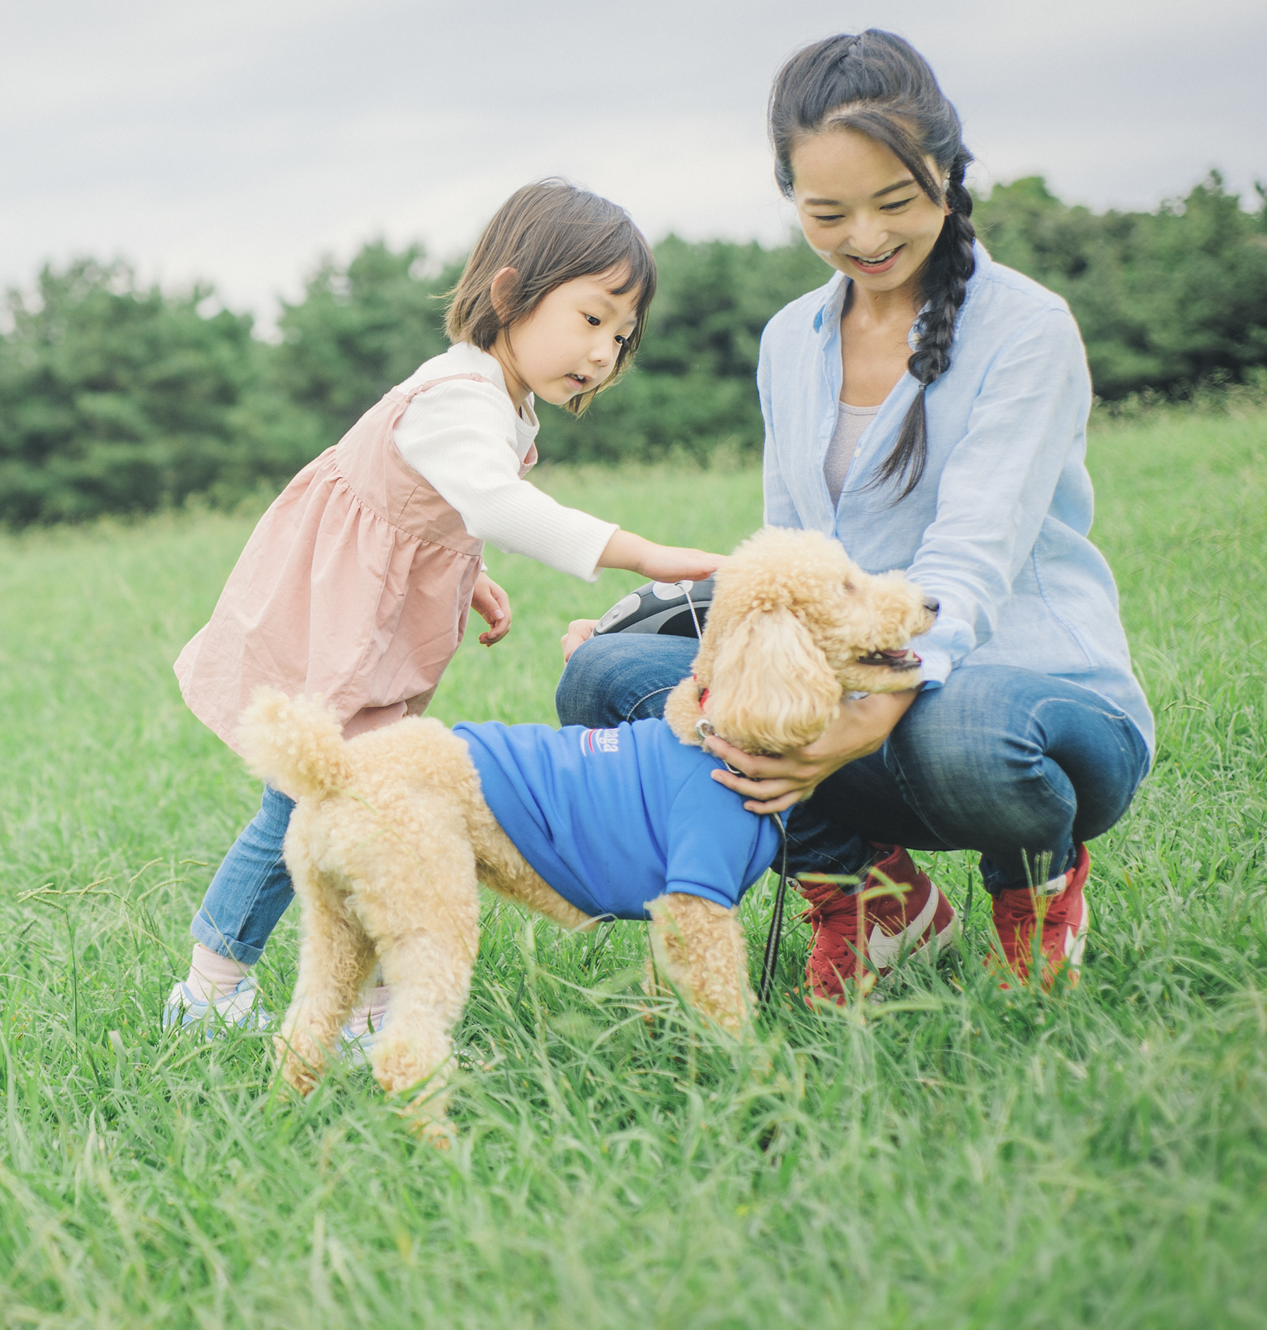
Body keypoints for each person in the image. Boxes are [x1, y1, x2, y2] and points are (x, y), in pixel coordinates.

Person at [558, 30, 1153, 1001]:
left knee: (969, 735)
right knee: (605, 680)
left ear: (948, 178)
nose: (864, 238)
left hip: (1028, 687)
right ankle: (873, 895)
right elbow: (788, 555)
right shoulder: (789, 341)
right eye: (826, 212)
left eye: (894, 203)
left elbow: (968, 559)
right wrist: (696, 645)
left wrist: (866, 713)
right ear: (788, 193)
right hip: (852, 679)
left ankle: (1034, 882)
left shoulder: (1024, 326)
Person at [166, 179, 723, 1035]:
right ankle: (214, 993)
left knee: (358, 803)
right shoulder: (459, 396)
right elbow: (495, 504)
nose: (607, 351)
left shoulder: (499, 395)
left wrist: (468, 575)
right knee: (321, 798)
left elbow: (438, 510)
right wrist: (641, 552)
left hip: (365, 617)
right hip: (332, 623)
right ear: (510, 295)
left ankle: (355, 1004)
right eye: (592, 318)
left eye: (623, 333)